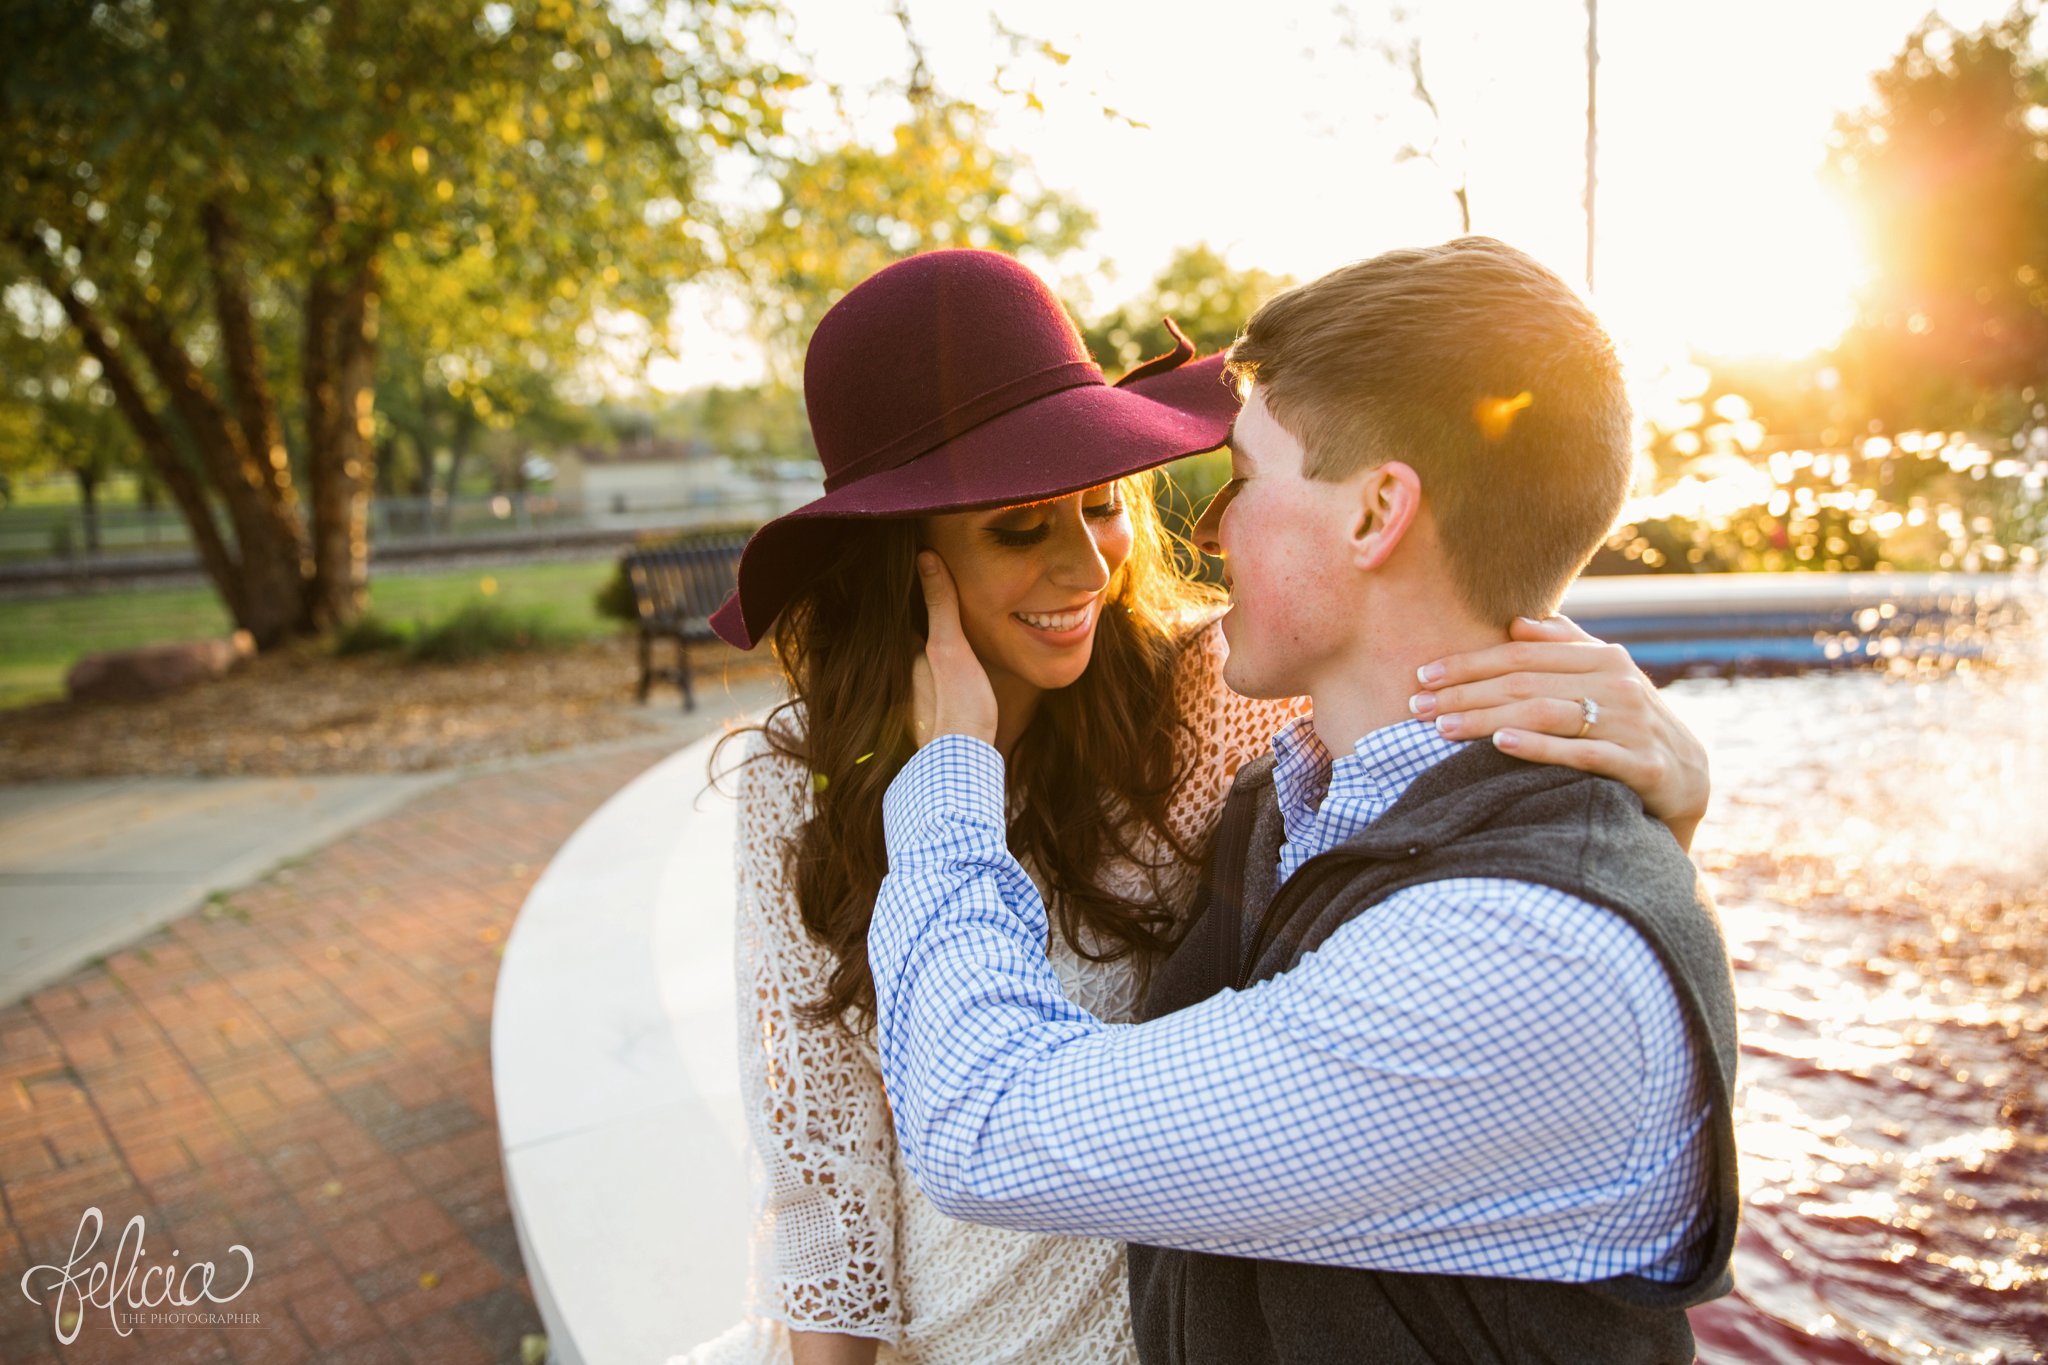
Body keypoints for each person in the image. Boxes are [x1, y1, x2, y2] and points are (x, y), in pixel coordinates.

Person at [671, 247, 1714, 1365]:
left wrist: (1662, 807)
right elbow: (821, 1171)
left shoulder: (1213, 703)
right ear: (899, 561)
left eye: (1105, 504)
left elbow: (986, 1125)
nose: (1098, 566)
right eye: (1021, 527)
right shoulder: (800, 780)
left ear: (1373, 512)